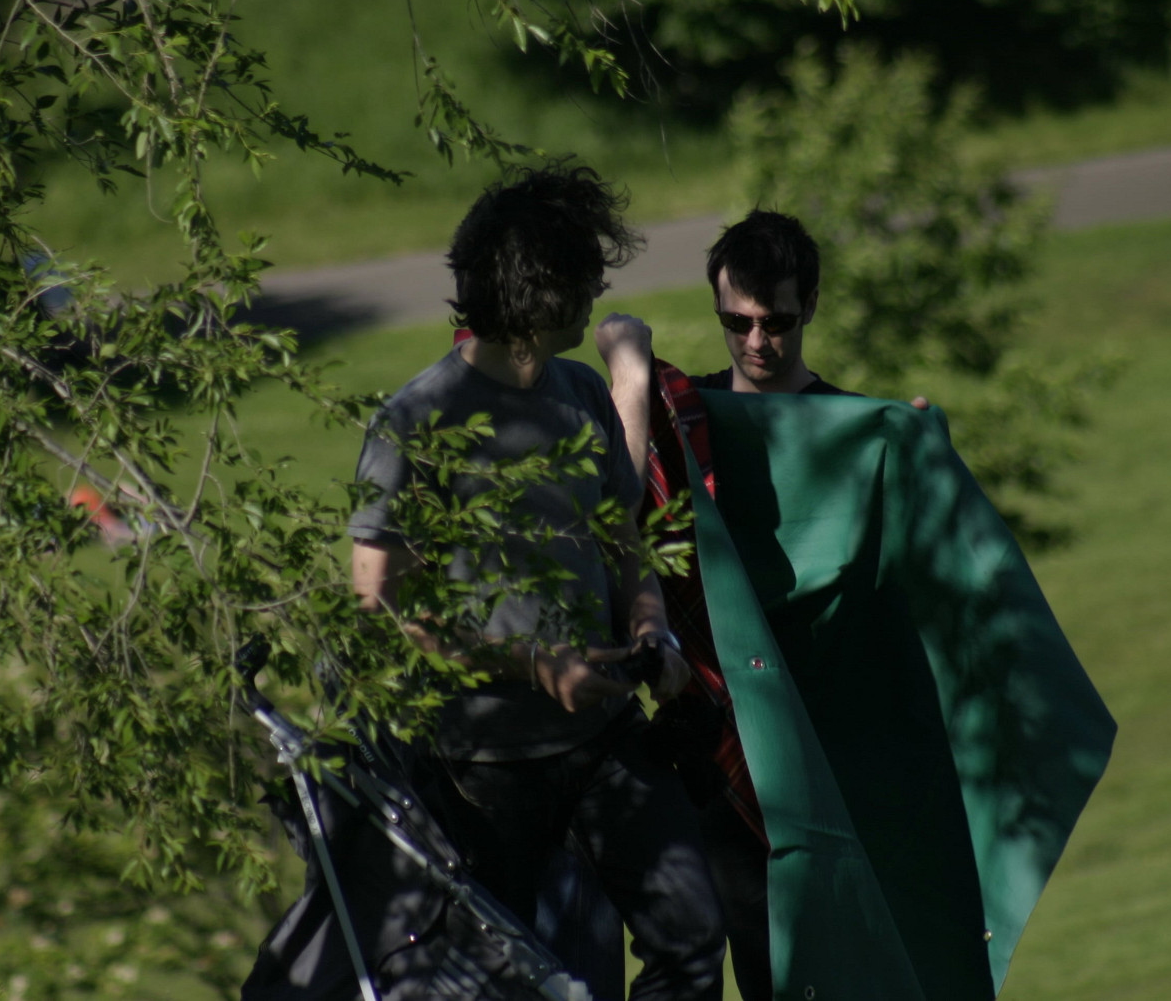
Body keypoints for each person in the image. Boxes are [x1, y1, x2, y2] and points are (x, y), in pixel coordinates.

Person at [347, 164, 725, 1001]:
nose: (600, 288)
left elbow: (624, 544)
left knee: (694, 940)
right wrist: (532, 664)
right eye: (587, 273)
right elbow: (380, 604)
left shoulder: (582, 391)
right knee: (510, 988)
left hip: (605, 741)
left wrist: (652, 632)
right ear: (538, 291)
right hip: (481, 766)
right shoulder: (417, 421)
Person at [596, 209, 925, 1001]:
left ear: (810, 304)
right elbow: (616, 506)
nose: (755, 340)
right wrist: (630, 366)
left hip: (825, 750)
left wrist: (909, 459)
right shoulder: (685, 421)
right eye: (735, 321)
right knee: (753, 965)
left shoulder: (851, 431)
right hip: (718, 747)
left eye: (775, 321)